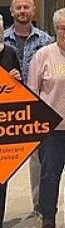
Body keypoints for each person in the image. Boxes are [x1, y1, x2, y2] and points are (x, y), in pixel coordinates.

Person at [27, 8, 65, 228]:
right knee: (49, 177)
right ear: (55, 30)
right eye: (61, 27)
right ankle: (48, 217)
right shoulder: (43, 55)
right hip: (51, 131)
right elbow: (32, 92)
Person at [4, 0, 52, 220]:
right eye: (18, 8)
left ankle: (39, 207)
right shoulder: (2, 40)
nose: (23, 11)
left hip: (35, 109)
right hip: (7, 112)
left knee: (38, 163)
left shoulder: (46, 40)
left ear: (33, 11)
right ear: (12, 11)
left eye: (26, 7)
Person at [0, 14, 21, 227]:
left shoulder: (11, 52)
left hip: (6, 122)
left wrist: (16, 80)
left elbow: (19, 88)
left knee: (1, 176)